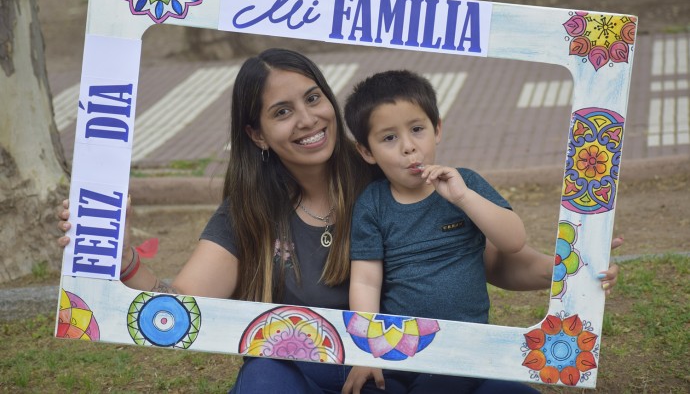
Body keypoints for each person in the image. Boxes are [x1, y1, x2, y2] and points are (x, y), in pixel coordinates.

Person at [56, 49, 621, 393]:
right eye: (282, 112)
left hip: (436, 361)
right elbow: (183, 305)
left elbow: (494, 257)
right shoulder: (250, 211)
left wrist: (573, 271)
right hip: (329, 374)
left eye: (313, 98)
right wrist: (121, 258)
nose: (307, 120)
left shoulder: (391, 171)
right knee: (266, 375)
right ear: (257, 134)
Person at [339, 70, 602, 393]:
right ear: (366, 151)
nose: (408, 147)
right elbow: (365, 281)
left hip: (467, 346)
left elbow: (513, 240)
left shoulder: (465, 184)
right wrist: (366, 352)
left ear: (437, 129)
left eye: (417, 129)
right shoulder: (373, 204)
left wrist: (463, 197)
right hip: (401, 349)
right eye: (389, 138)